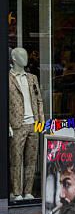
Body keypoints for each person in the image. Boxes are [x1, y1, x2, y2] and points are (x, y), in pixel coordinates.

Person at [9, 47, 44, 199]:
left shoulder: (32, 78)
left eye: (26, 53)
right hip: (17, 124)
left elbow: (39, 100)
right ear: (14, 58)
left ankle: (28, 191)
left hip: (33, 124)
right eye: (22, 55)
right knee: (16, 160)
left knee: (31, 159)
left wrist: (41, 121)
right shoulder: (7, 78)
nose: (26, 57)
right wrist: (7, 125)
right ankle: (17, 192)